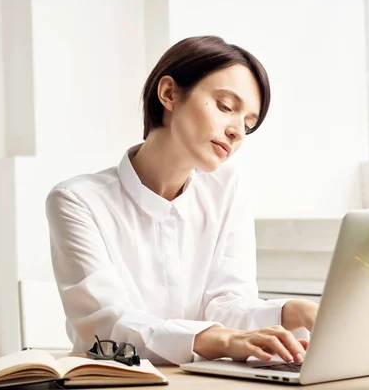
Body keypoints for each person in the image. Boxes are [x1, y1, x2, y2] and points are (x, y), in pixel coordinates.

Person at [46, 35, 319, 366]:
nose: (237, 132)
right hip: (116, 384)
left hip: (203, 381)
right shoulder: (77, 201)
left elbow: (227, 303)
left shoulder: (228, 190)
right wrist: (218, 339)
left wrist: (293, 311)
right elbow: (106, 328)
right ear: (169, 93)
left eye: (248, 123)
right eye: (225, 107)